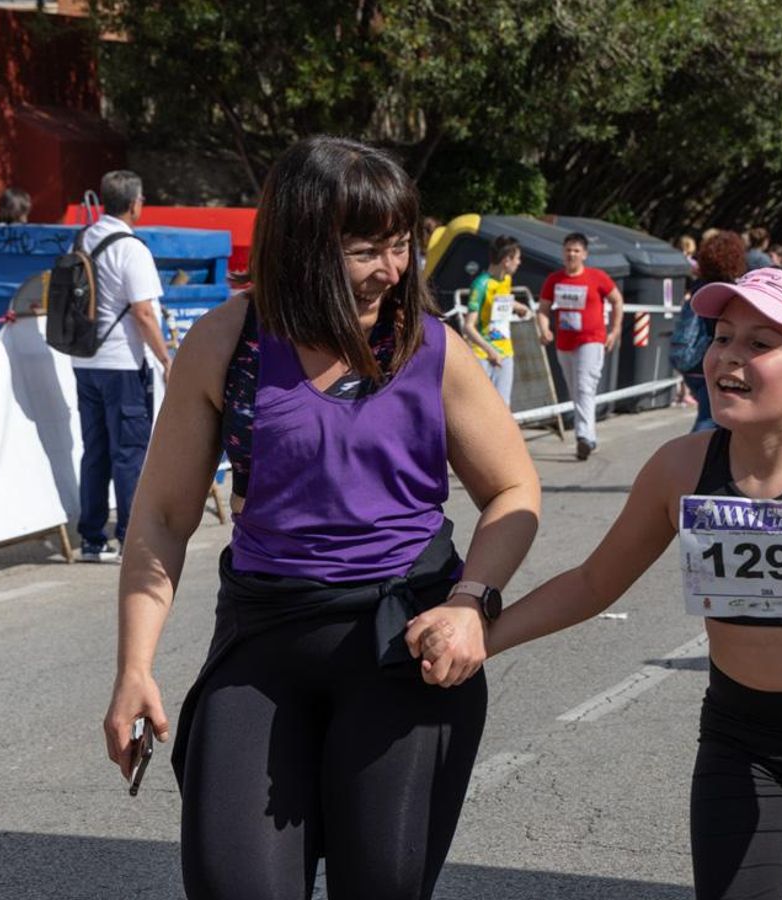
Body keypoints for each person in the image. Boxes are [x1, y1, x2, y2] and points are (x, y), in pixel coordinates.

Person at [418, 265, 782, 900]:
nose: (729, 356)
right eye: (722, 337)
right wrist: (481, 636)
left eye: (760, 343)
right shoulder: (679, 469)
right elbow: (593, 582)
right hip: (742, 740)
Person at [101, 136, 541, 898]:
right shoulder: (229, 342)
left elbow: (514, 491)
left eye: (400, 245)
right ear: (301, 246)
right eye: (365, 251)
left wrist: (471, 604)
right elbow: (164, 519)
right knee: (232, 883)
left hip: (403, 646)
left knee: (382, 884)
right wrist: (134, 669)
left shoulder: (431, 349)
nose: (392, 271)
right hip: (264, 640)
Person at [72, 170, 172, 563]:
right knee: (129, 451)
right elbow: (144, 313)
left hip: (85, 360)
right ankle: (131, 538)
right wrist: (165, 359)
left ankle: (92, 539)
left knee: (95, 450)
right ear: (133, 204)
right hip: (123, 363)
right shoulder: (131, 249)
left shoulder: (84, 238)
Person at [537, 232, 624, 460]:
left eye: (576, 250)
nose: (571, 254)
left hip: (591, 339)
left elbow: (617, 300)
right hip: (565, 343)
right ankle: (589, 437)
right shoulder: (554, 280)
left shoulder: (597, 277)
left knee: (585, 386)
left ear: (584, 254)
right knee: (576, 389)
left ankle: (583, 437)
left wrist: (615, 330)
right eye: (568, 250)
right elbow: (543, 309)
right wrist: (544, 329)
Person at [678, 230, 748, 433]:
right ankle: (695, 454)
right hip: (711, 361)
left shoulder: (697, 287)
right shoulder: (728, 293)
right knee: (709, 420)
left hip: (691, 361)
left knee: (712, 416)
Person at [462, 234, 529, 405]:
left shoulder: (506, 279)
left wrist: (518, 306)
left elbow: (501, 300)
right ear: (506, 260)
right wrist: (490, 350)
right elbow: (468, 327)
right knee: (482, 406)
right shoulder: (481, 284)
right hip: (484, 355)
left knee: (503, 406)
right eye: (517, 258)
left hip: (506, 352)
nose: (519, 262)